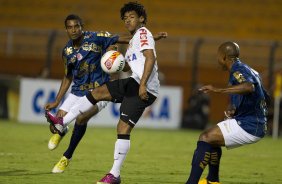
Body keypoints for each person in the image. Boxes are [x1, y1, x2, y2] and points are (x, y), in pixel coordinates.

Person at [45, 2, 163, 183]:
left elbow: (150, 57)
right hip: (134, 82)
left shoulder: (142, 33)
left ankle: (114, 175)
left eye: (132, 17)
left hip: (143, 88)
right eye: (125, 19)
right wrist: (120, 63)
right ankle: (62, 122)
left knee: (122, 128)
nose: (128, 21)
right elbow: (137, 64)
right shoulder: (133, 41)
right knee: (98, 92)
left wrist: (143, 85)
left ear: (141, 19)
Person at [185, 42, 269, 184]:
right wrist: (235, 110)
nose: (217, 60)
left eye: (217, 57)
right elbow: (263, 96)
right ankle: (212, 180)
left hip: (250, 124)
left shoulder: (237, 70)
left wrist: (218, 90)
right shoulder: (248, 69)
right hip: (251, 121)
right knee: (212, 140)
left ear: (224, 57)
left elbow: (249, 87)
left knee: (205, 137)